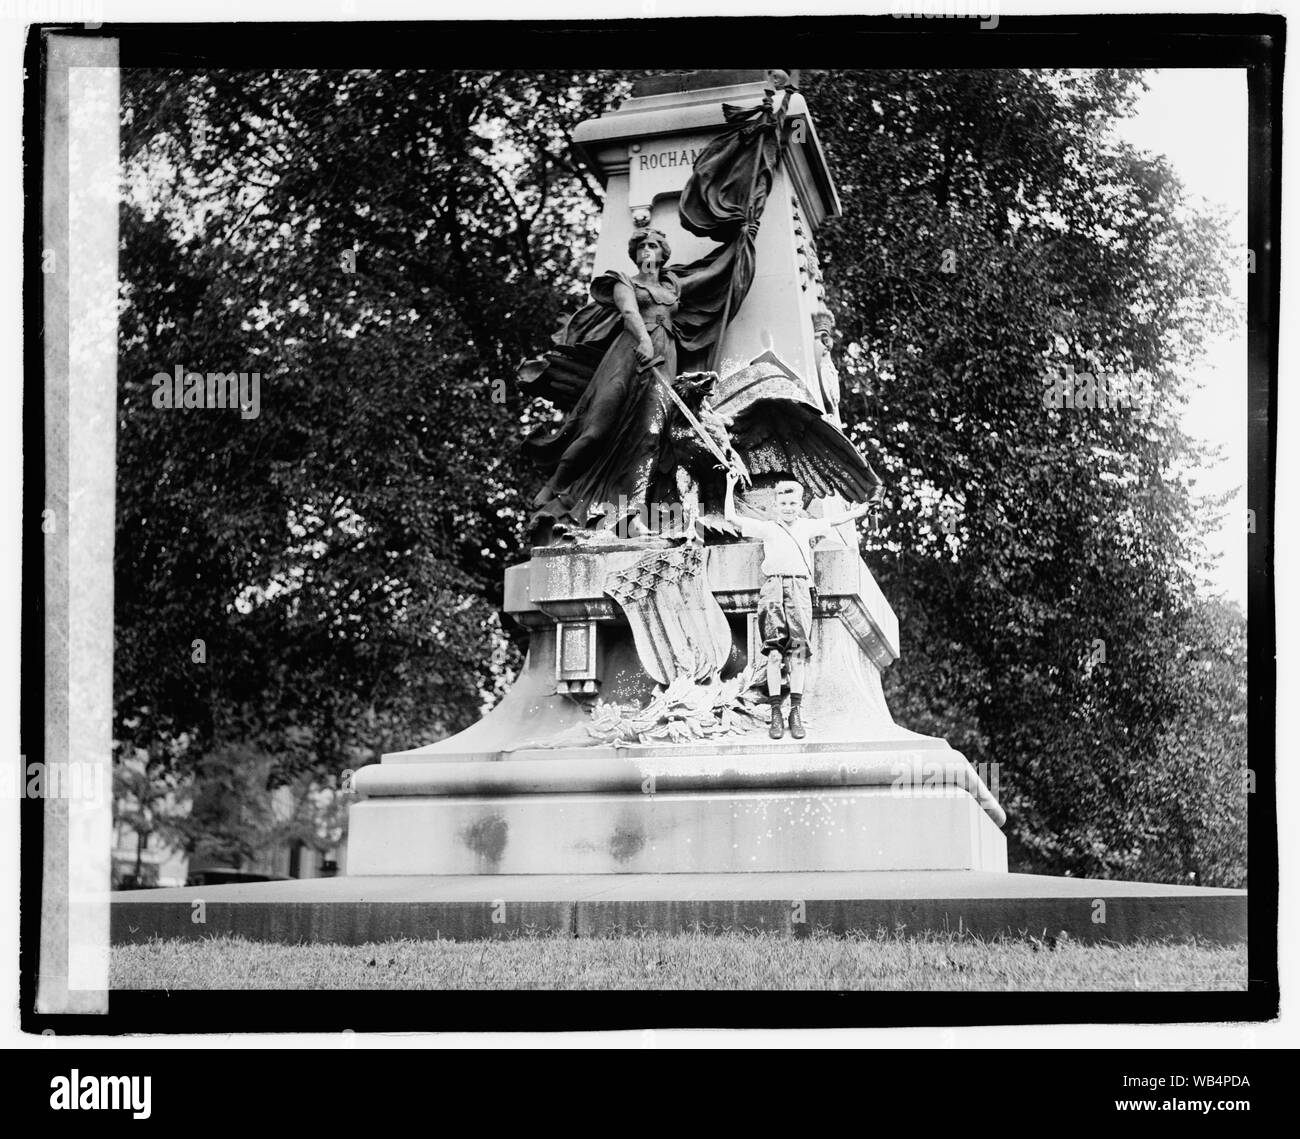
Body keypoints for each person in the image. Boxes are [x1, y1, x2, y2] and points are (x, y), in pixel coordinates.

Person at [526, 228, 681, 540]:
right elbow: (628, 311)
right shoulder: (625, 282)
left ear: (663, 254)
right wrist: (643, 341)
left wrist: (743, 241)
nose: (646, 250)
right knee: (596, 429)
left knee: (651, 436)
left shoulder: (672, 288)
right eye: (641, 246)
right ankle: (555, 484)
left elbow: (715, 276)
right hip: (628, 354)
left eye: (653, 246)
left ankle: (633, 510)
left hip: (666, 358)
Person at [724, 472, 873, 739]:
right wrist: (729, 485)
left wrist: (860, 511)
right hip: (772, 590)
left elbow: (836, 519)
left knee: (798, 653)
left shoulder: (806, 527)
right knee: (773, 653)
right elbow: (731, 518)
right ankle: (775, 713)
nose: (788, 508)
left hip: (800, 591)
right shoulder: (768, 528)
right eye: (783, 504)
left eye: (793, 504)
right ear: (775, 506)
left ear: (800, 504)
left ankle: (795, 711)